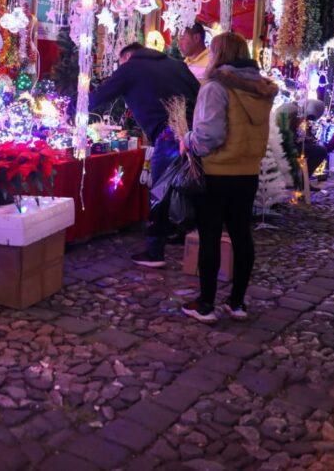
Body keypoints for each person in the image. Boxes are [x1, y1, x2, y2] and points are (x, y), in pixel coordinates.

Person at [179, 32, 277, 323]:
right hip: (247, 172)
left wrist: (188, 139)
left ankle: (206, 304)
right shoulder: (261, 89)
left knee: (210, 236)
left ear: (218, 53)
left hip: (217, 171)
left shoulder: (216, 87)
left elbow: (209, 135)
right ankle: (237, 303)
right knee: (241, 235)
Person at [90, 42, 200, 268]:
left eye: (120, 63)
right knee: (188, 186)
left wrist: (73, 107)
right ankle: (188, 238)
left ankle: (155, 251)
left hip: (169, 133)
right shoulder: (177, 65)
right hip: (194, 133)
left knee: (160, 190)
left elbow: (101, 95)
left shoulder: (132, 67)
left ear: (127, 56)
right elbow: (199, 94)